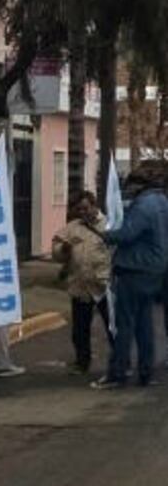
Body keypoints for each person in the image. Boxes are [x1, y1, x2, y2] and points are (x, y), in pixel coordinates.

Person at [93, 164, 168, 389]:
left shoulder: (144, 205)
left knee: (124, 324)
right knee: (144, 324)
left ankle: (118, 372)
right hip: (155, 269)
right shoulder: (163, 202)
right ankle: (145, 372)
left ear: (139, 184)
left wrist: (106, 235)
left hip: (134, 268)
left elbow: (128, 234)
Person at [52, 190, 112, 374]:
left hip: (104, 285)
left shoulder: (110, 224)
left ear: (94, 205)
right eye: (79, 209)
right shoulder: (73, 227)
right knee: (80, 329)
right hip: (80, 285)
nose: (83, 212)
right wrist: (64, 248)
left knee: (112, 327)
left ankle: (119, 362)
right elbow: (56, 252)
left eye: (86, 208)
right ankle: (82, 362)